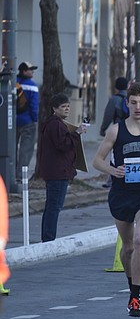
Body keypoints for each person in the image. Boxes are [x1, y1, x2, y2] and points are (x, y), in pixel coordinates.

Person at [92, 83, 140, 317]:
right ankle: (131, 282)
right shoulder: (116, 130)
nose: (138, 107)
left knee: (139, 238)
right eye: (133, 102)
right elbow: (97, 160)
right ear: (127, 104)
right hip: (122, 194)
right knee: (127, 248)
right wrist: (113, 171)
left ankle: (136, 296)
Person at [38, 94, 86, 242]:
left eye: (68, 106)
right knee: (54, 207)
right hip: (58, 172)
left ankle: (47, 237)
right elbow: (63, 144)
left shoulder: (54, 124)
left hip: (56, 170)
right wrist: (77, 133)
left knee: (52, 206)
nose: (66, 109)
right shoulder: (56, 124)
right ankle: (48, 239)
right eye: (63, 107)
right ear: (54, 108)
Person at [16, 61, 39, 180]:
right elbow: (34, 106)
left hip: (12, 122)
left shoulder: (12, 82)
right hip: (28, 122)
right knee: (26, 150)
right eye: (31, 69)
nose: (33, 71)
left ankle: (10, 174)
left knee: (11, 149)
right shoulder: (32, 86)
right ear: (24, 71)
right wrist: (35, 120)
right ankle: (21, 177)